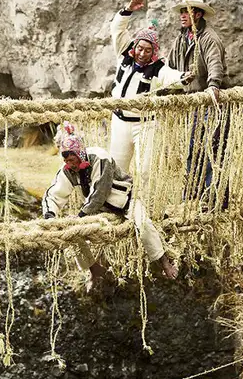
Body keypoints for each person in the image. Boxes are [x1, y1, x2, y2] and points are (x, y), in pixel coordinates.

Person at [42, 123, 178, 288]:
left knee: (143, 224)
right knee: (73, 231)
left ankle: (163, 260)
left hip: (126, 202)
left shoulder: (100, 157)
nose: (69, 163)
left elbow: (100, 191)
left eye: (71, 159)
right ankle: (93, 268)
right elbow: (53, 194)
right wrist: (49, 216)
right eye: (66, 160)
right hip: (98, 211)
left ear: (80, 154)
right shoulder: (68, 170)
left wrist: (81, 215)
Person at [109, 0, 194, 185]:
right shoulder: (124, 54)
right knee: (117, 169)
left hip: (145, 124)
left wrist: (183, 77)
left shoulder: (157, 68)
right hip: (119, 120)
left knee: (146, 170)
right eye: (140, 48)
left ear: (153, 52)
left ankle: (145, 201)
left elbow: (170, 77)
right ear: (135, 46)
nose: (142, 53)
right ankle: (119, 200)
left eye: (147, 50)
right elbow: (117, 29)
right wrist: (128, 9)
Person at [165, 0, 228, 203]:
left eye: (187, 11)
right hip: (192, 102)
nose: (182, 15)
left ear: (198, 14)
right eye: (182, 11)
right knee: (193, 149)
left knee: (212, 148)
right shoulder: (182, 39)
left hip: (209, 101)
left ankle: (214, 197)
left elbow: (215, 63)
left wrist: (213, 85)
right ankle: (193, 193)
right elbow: (170, 67)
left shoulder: (209, 38)